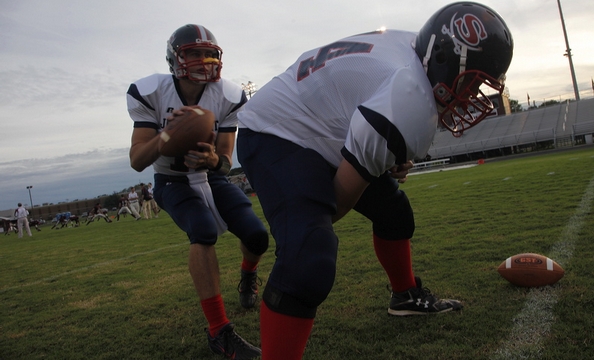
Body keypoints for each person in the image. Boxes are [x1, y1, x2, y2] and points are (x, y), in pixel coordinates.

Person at [236, 2, 513, 359]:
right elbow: (336, 203)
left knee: (394, 212)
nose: (472, 99)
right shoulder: (410, 95)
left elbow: (364, 95)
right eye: (470, 84)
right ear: (443, 59)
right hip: (276, 130)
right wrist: (377, 152)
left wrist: (383, 152)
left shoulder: (414, 50)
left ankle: (405, 296)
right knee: (309, 257)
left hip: (320, 120)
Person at [127, 24, 269, 359]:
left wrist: (212, 159)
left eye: (209, 54)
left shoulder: (229, 95)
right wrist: (166, 136)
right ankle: (219, 330)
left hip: (213, 178)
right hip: (171, 181)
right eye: (194, 53)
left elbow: (224, 163)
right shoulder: (150, 91)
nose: (204, 61)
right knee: (203, 232)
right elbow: (136, 161)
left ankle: (247, 276)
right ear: (175, 58)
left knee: (258, 237)